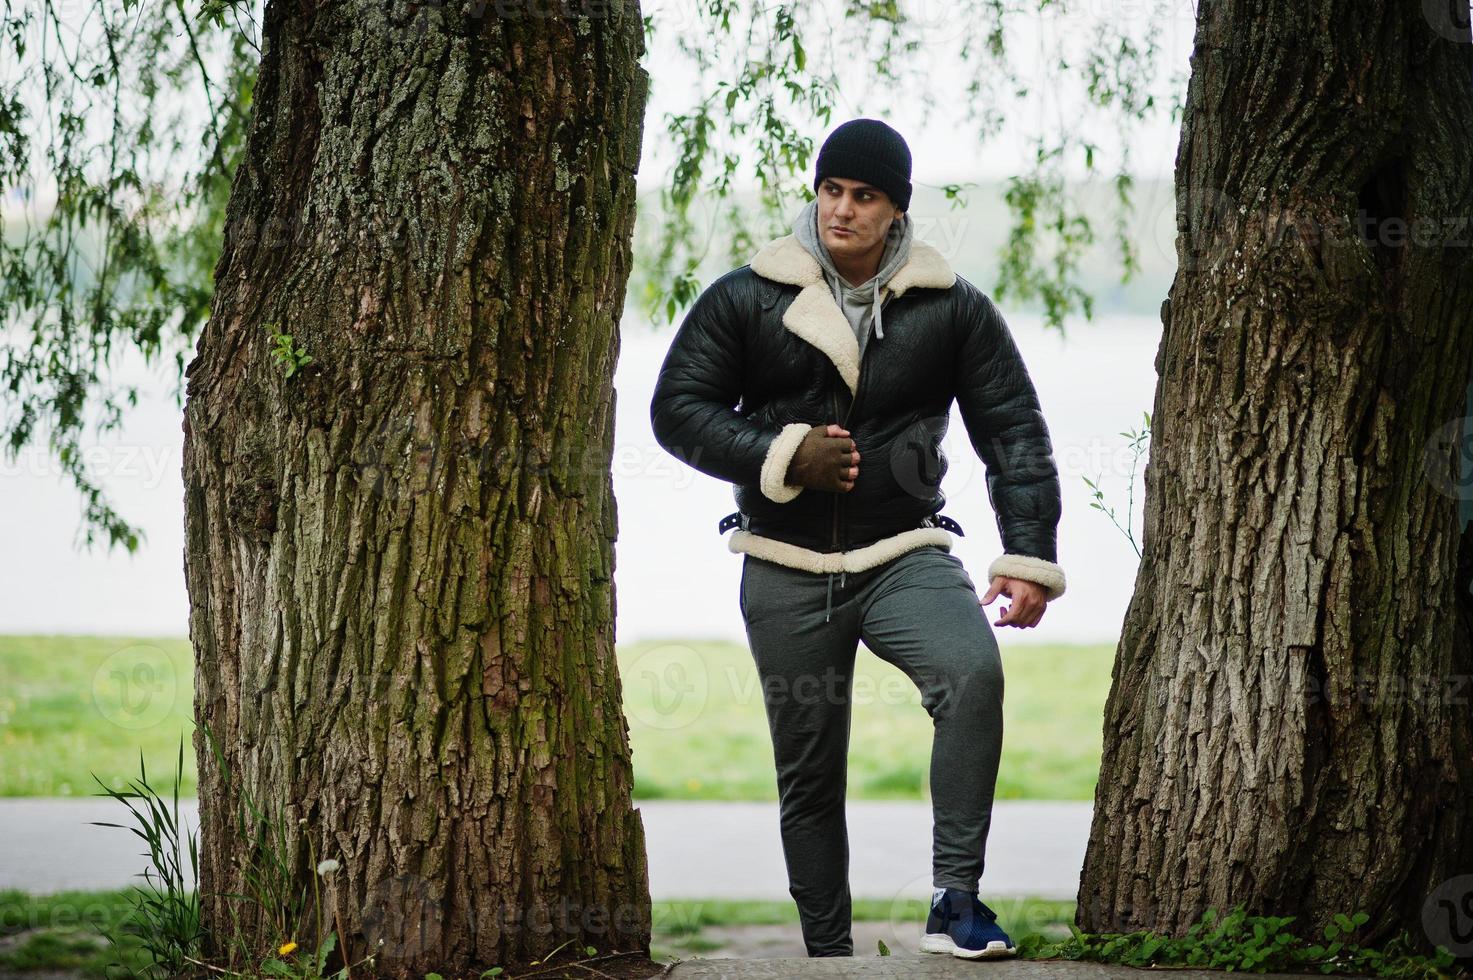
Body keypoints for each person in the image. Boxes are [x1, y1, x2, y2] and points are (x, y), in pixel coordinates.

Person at [649, 117, 1066, 960]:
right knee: (808, 772)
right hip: (781, 560)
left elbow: (1013, 430)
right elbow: (676, 411)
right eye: (831, 190)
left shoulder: (951, 307)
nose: (842, 210)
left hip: (902, 551)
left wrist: (1027, 556)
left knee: (969, 671)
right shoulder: (746, 296)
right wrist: (779, 453)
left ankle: (956, 902)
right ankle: (828, 956)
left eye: (863, 196)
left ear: (895, 211)